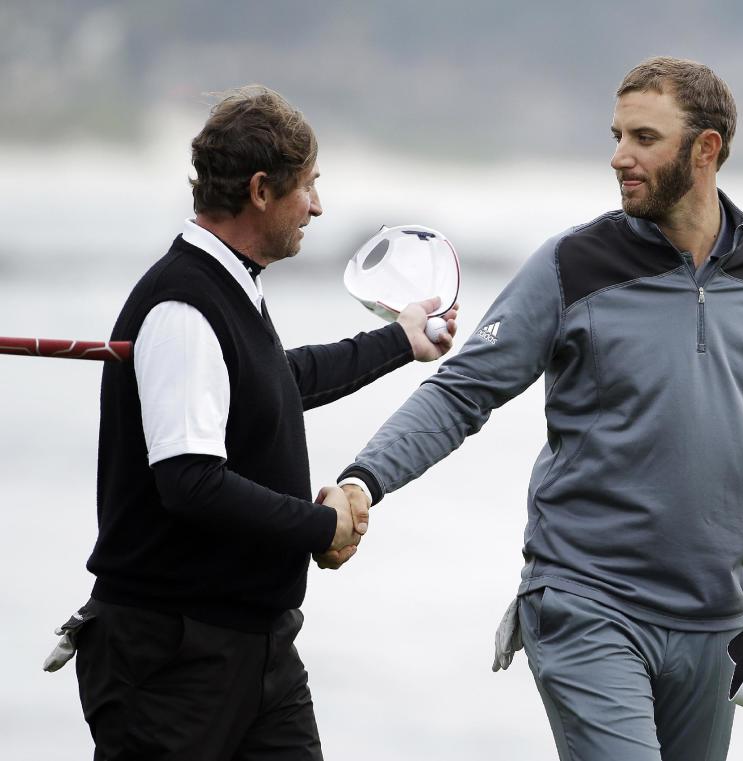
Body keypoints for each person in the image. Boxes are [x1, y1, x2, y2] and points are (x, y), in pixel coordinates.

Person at [337, 57, 743, 761]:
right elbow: (463, 391)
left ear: (706, 149)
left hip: (714, 620)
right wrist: (365, 479)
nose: (619, 157)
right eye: (616, 135)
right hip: (586, 603)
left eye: (643, 137)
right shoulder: (573, 265)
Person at [61, 85, 457, 760]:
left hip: (259, 647)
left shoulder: (229, 283)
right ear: (261, 190)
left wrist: (401, 342)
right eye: (309, 186)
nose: (319, 205)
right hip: (172, 658)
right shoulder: (184, 305)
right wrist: (319, 524)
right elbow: (189, 481)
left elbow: (278, 381)